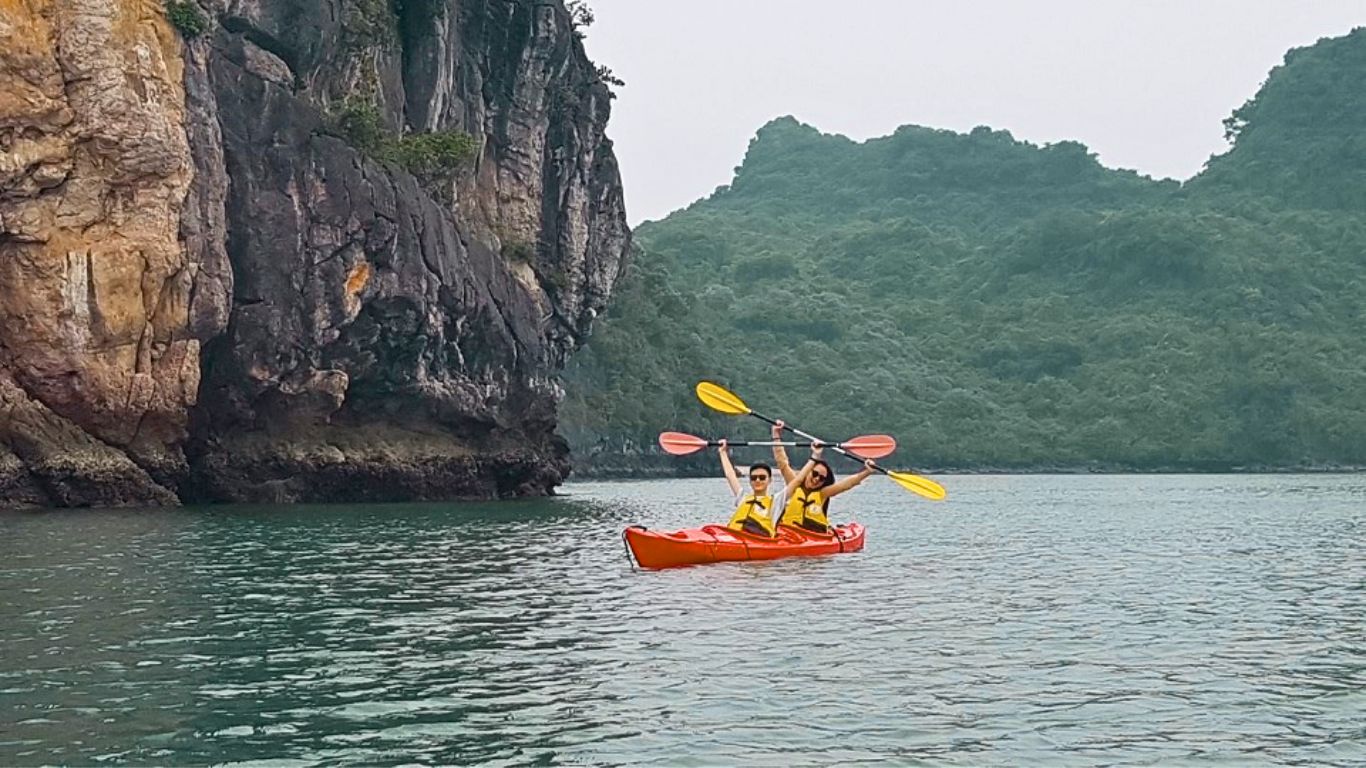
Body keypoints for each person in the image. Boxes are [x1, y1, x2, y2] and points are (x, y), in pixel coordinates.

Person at [770, 420, 875, 534]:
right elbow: (782, 462)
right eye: (815, 474)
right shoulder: (794, 483)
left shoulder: (822, 493)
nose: (816, 479)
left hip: (814, 536)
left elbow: (846, 484)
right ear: (808, 471)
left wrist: (866, 472)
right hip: (788, 534)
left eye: (821, 478)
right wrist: (776, 435)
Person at [718, 438, 817, 537]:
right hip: (737, 538)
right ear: (750, 481)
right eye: (753, 478)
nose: (757, 480)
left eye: (762, 477)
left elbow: (798, 480)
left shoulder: (776, 501)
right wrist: (722, 452)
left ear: (769, 480)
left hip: (761, 541)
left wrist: (815, 456)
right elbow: (730, 475)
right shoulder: (743, 498)